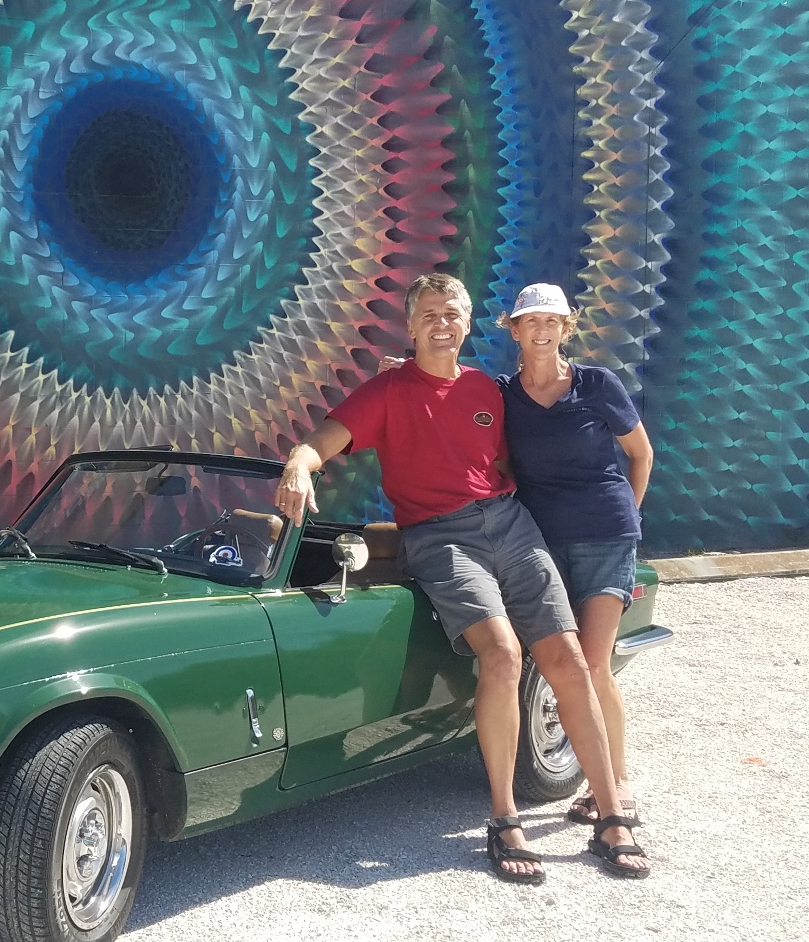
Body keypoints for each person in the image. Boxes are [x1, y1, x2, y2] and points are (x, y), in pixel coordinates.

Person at [274, 272, 648, 883]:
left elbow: (508, 457)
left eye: (452, 313)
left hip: (511, 523)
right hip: (440, 536)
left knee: (570, 659)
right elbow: (323, 439)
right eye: (429, 314)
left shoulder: (485, 390)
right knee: (502, 654)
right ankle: (504, 818)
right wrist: (298, 465)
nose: (442, 323)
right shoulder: (387, 390)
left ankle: (612, 813)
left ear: (469, 322)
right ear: (409, 324)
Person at [496, 282, 654, 828]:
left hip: (606, 537)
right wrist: (407, 369)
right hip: (539, 542)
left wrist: (626, 517)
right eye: (531, 321)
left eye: (552, 321)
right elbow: (448, 391)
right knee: (556, 663)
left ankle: (616, 783)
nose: (542, 330)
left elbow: (640, 454)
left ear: (567, 328)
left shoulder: (597, 384)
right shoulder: (502, 394)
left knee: (592, 663)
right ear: (515, 330)